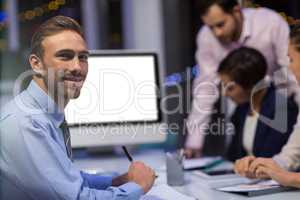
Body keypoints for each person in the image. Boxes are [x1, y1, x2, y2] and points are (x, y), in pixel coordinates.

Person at [0, 16, 155, 200]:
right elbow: (77, 198)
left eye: (83, 57)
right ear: (36, 64)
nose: (77, 67)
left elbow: (64, 180)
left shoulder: (46, 116)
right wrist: (138, 187)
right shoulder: (25, 124)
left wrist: (117, 181)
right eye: (64, 56)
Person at [184, 0, 294, 158]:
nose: (217, 33)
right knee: (239, 154)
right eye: (210, 27)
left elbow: (292, 73)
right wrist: (194, 142)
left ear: (236, 10)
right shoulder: (206, 38)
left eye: (220, 24)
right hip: (243, 103)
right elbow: (205, 89)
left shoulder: (270, 23)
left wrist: (289, 108)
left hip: (276, 101)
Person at [234, 25, 300, 188]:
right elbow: (291, 156)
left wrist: (290, 178)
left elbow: (288, 174)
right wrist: (261, 166)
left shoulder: (281, 106)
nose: (289, 68)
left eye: (291, 59)